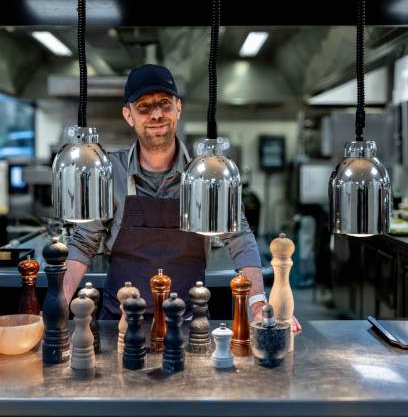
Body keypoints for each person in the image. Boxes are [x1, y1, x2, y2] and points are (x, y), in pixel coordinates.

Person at [64, 64, 301, 331]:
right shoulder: (108, 171)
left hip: (189, 325)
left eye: (164, 103)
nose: (156, 114)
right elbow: (83, 242)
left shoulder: (208, 174)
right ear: (128, 115)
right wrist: (57, 305)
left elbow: (240, 238)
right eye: (143, 106)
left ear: (178, 107)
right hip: (118, 324)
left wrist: (258, 305)